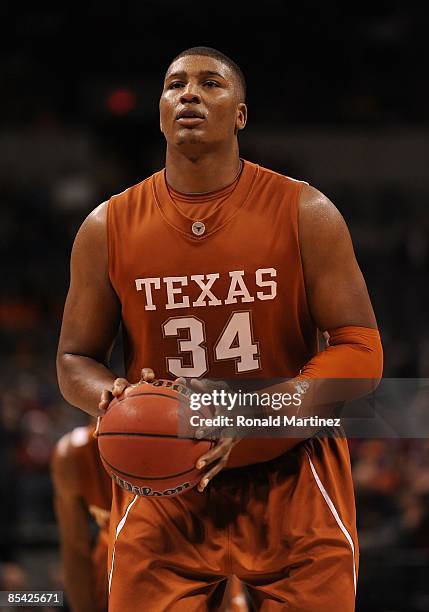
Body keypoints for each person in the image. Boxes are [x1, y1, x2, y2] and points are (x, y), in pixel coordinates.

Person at [57, 46, 383, 611]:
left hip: (291, 476)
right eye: (175, 84)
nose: (189, 94)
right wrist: (110, 397)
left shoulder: (304, 210)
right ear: (160, 111)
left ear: (241, 114)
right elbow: (73, 360)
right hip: (163, 487)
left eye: (210, 84)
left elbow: (362, 350)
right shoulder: (106, 226)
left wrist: (256, 411)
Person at [51, 422, 112, 612]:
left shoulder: (188, 435)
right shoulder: (73, 454)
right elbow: (75, 548)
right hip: (114, 574)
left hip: (186, 567)